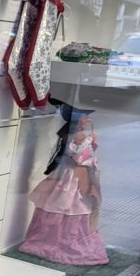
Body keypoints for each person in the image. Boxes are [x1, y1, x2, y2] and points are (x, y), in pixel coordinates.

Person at [19, 103, 108, 265]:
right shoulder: (76, 137)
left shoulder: (80, 135)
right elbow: (79, 156)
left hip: (79, 175)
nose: (87, 119)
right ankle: (57, 242)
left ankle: (61, 240)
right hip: (72, 176)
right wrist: (88, 144)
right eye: (84, 116)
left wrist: (92, 145)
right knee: (68, 204)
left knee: (75, 206)